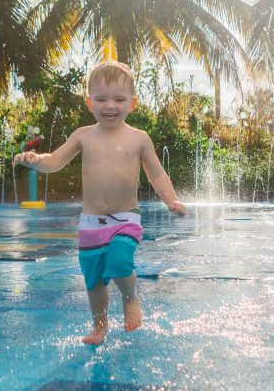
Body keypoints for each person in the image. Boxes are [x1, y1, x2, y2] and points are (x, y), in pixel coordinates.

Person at [13, 61, 186, 344]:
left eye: (119, 99)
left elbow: (156, 173)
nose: (110, 105)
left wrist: (171, 199)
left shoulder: (139, 138)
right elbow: (55, 161)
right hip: (91, 223)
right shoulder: (83, 135)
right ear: (89, 102)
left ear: (132, 103)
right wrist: (35, 161)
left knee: (119, 261)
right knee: (93, 279)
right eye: (102, 99)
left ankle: (130, 299)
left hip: (125, 219)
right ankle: (99, 326)